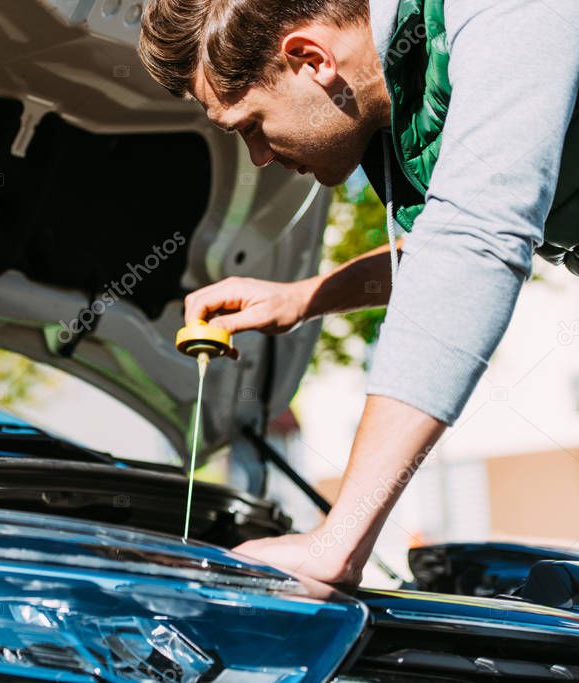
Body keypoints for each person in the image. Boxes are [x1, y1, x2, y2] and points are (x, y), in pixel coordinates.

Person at [138, 0, 579, 585]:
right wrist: (307, 297)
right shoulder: (400, 92)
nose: (260, 156)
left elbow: (475, 242)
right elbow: (438, 249)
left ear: (310, 58)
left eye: (250, 126)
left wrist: (338, 540)